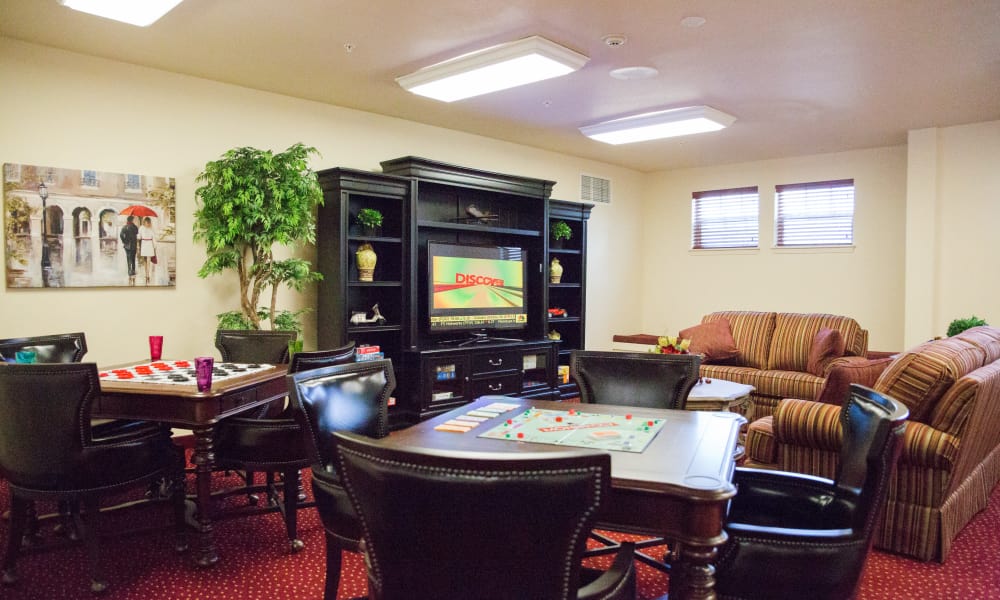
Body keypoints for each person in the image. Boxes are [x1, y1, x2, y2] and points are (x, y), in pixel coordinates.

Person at [119, 215, 139, 285]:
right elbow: (137, 232)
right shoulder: (135, 227)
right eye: (134, 220)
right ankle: (133, 271)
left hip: (127, 245)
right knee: (133, 258)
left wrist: (124, 241)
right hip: (133, 245)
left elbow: (121, 235)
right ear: (132, 220)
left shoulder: (125, 227)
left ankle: (129, 271)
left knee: (128, 258)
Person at [138, 216, 156, 285]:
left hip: (149, 244)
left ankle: (147, 275)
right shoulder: (141, 228)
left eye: (148, 222)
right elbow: (139, 237)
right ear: (144, 222)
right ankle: (146, 273)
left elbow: (154, 238)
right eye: (146, 222)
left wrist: (154, 246)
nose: (147, 223)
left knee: (148, 260)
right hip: (144, 244)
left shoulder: (151, 229)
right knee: (145, 260)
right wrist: (138, 235)